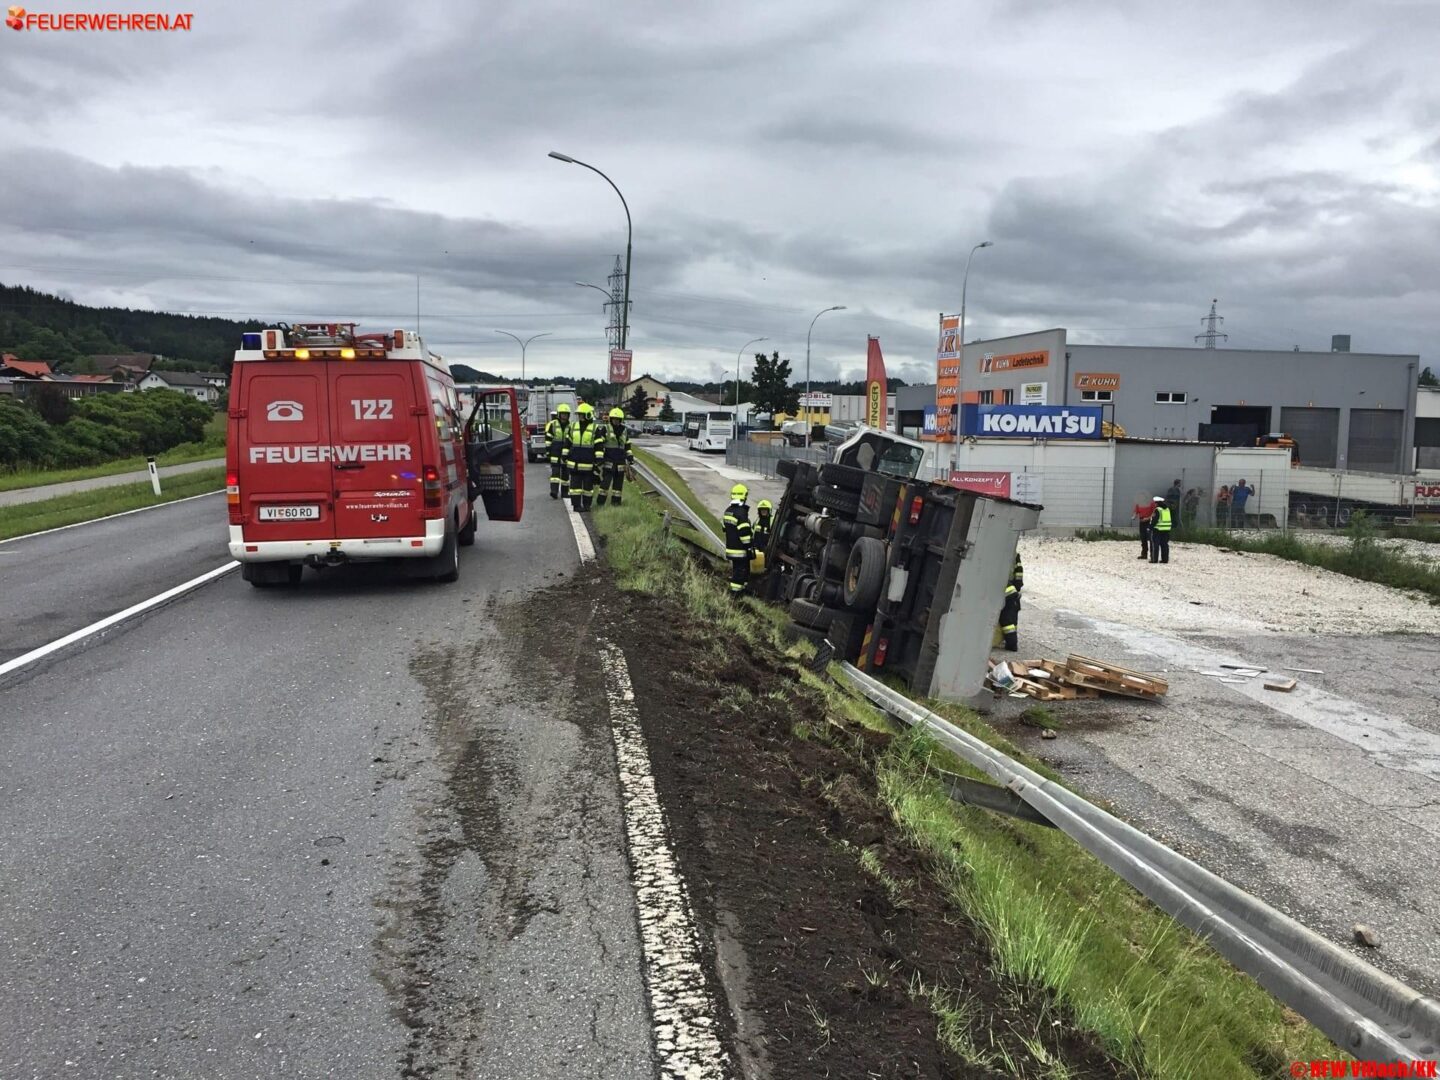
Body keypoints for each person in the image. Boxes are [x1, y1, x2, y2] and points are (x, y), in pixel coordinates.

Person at [595, 407, 634, 507]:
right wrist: (599, 457)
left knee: (618, 487)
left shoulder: (624, 430)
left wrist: (630, 457)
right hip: (609, 461)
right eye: (614, 419)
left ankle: (616, 504)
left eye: (618, 419)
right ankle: (600, 503)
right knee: (605, 484)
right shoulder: (606, 428)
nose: (616, 421)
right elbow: (599, 443)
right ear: (611, 419)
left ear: (621, 420)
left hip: (620, 463)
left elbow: (627, 445)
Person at [565, 402, 600, 512]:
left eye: (582, 414)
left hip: (588, 464)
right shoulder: (573, 426)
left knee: (588, 488)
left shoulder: (595, 428)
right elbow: (567, 442)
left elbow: (599, 445)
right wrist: (564, 455)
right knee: (575, 488)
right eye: (579, 414)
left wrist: (599, 460)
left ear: (588, 415)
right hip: (574, 463)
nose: (580, 416)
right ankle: (576, 506)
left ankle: (587, 505)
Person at [722, 483, 754, 597]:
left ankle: (742, 590)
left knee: (739, 570)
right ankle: (736, 594)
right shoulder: (741, 513)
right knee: (740, 572)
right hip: (740, 550)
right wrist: (749, 547)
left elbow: (724, 528)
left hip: (730, 548)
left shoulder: (728, 511)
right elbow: (744, 533)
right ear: (744, 496)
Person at [998, 551, 1023, 652]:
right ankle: (1011, 643)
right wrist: (1017, 586)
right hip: (1011, 592)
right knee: (1012, 621)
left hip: (1007, 594)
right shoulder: (1014, 554)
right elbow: (1019, 573)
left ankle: (1012, 645)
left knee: (1007, 623)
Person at [545, 404, 570, 500]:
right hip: (555, 452)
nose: (564, 416)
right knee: (555, 474)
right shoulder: (553, 424)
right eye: (563, 414)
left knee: (565, 474)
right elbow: (548, 439)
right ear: (559, 414)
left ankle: (565, 492)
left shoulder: (570, 426)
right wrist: (548, 452)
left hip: (566, 453)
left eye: (566, 414)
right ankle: (554, 492)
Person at [1149, 495, 1172, 563]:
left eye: (1155, 503)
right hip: (1166, 529)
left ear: (1157, 503)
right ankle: (1165, 559)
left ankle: (1154, 559)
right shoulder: (1167, 509)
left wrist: (1150, 527)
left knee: (1155, 544)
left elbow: (1154, 520)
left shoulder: (1158, 510)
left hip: (1158, 529)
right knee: (1164, 545)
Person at [1131, 495, 1155, 560]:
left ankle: (1152, 555)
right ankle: (1144, 554)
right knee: (1143, 538)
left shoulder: (1151, 504)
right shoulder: (1138, 504)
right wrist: (1134, 516)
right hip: (1141, 522)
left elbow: (1154, 513)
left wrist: (1147, 518)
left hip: (1149, 522)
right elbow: (1136, 512)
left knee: (1150, 539)